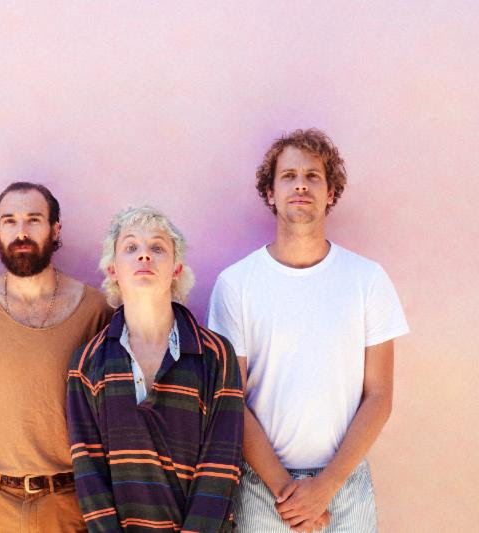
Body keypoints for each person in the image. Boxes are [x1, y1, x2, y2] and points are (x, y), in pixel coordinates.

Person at [208, 129, 409, 532]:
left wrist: (326, 486)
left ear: (330, 193)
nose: (301, 184)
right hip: (263, 488)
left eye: (313, 176)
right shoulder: (236, 285)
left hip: (345, 485)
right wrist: (288, 491)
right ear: (270, 193)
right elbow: (232, 398)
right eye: (289, 176)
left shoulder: (367, 279)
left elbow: (379, 395)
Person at [0, 181, 113, 532]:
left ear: (55, 229)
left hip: (68, 501)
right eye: (9, 221)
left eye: (33, 220)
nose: (21, 232)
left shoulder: (97, 309)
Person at [67, 206, 244, 532]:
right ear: (113, 269)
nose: (144, 255)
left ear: (176, 268)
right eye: (131, 247)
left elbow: (221, 465)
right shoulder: (87, 364)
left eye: (158, 247)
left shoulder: (216, 355)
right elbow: (89, 474)